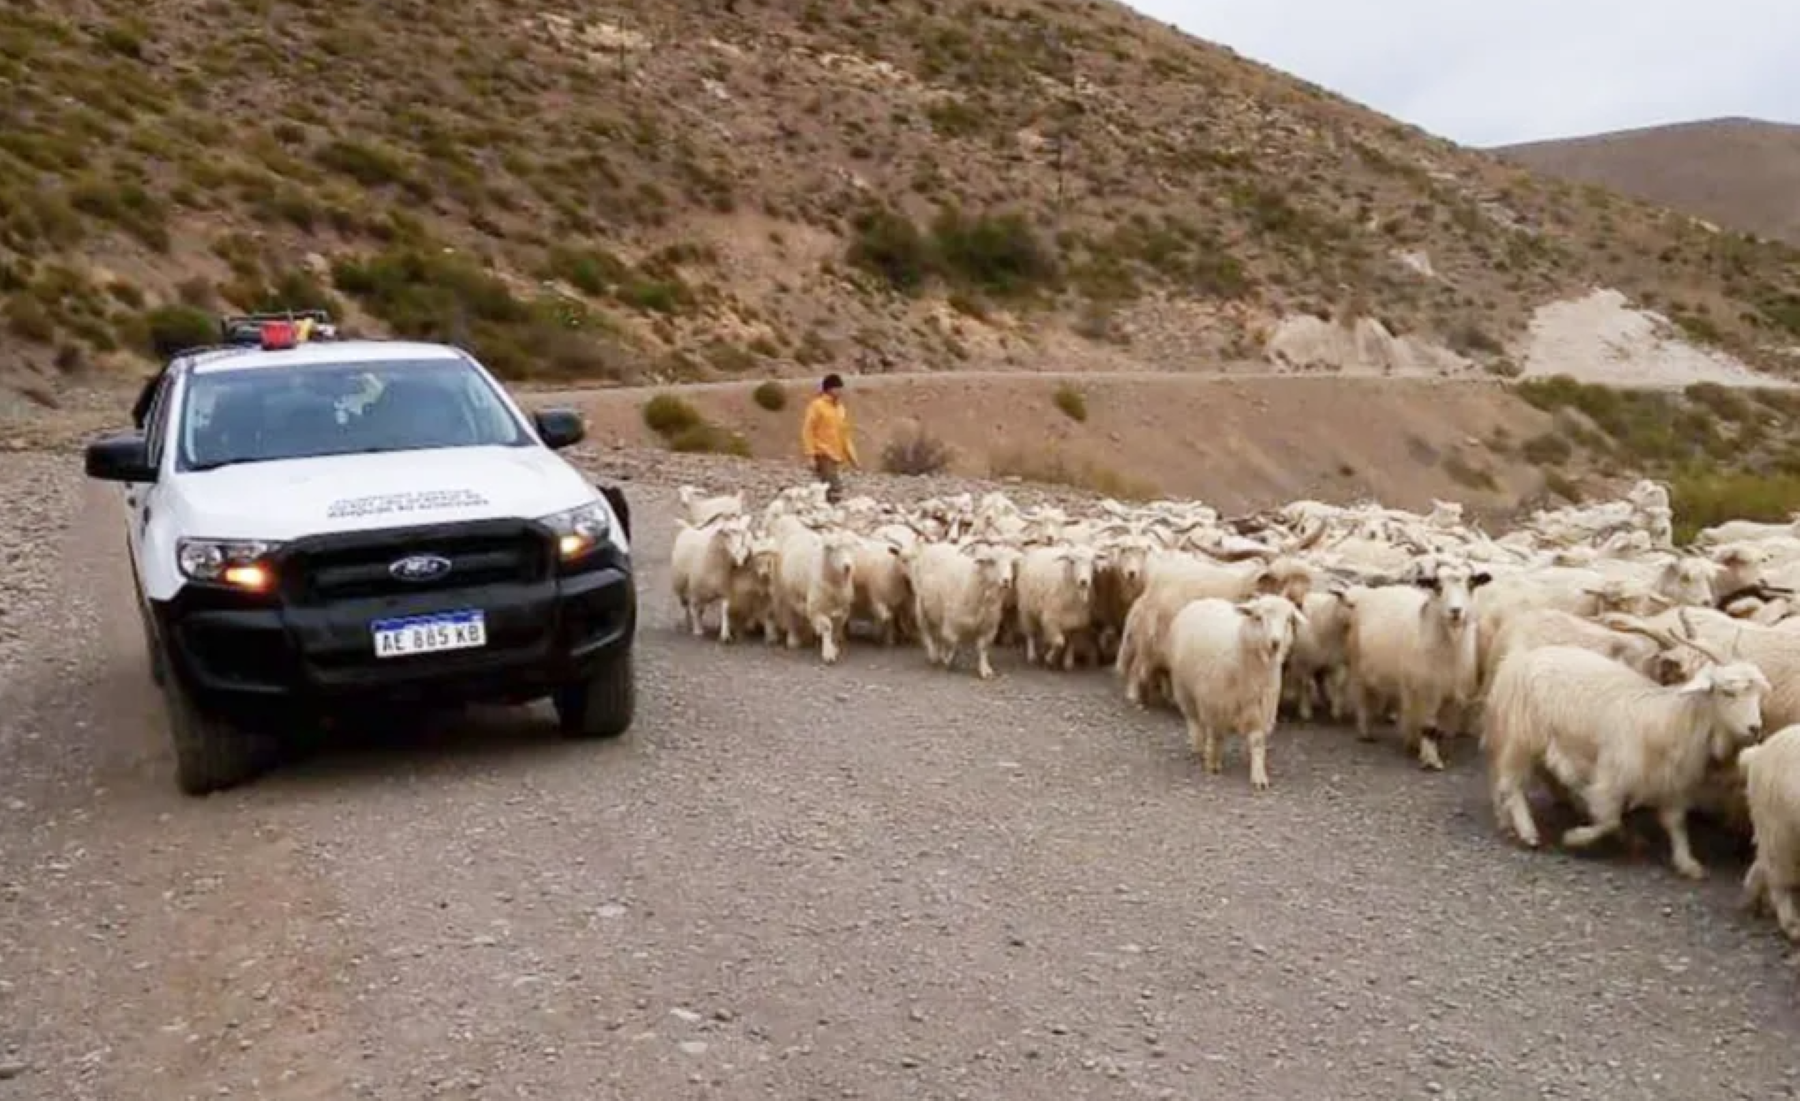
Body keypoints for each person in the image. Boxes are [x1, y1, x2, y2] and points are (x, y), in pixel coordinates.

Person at [800, 373, 858, 502]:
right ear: (829, 389)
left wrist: (852, 457)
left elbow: (844, 434)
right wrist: (810, 455)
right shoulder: (817, 406)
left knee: (827, 488)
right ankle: (830, 513)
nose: (840, 391)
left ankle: (825, 512)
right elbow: (808, 430)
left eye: (840, 388)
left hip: (836, 455)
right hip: (822, 453)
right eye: (837, 388)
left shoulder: (840, 408)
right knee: (833, 487)